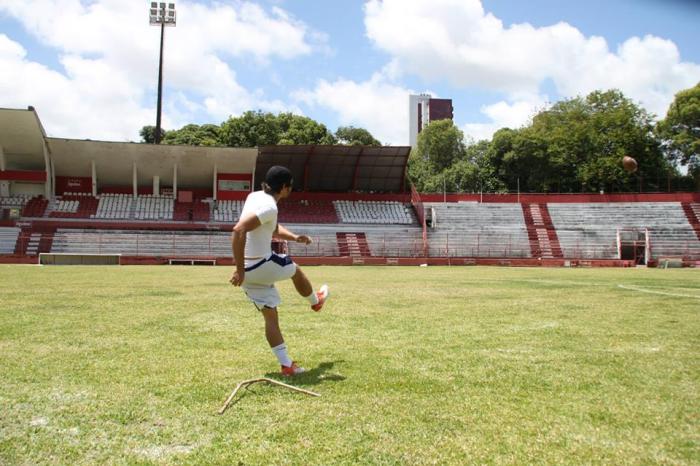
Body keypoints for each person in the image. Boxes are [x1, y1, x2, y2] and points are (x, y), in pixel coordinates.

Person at [230, 165, 329, 376]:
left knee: (270, 317)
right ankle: (316, 302)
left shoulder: (254, 197)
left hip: (249, 272)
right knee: (295, 270)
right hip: (258, 265)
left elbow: (271, 228)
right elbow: (239, 230)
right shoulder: (270, 208)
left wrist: (294, 238)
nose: (291, 191)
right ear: (284, 187)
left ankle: (286, 365)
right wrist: (240, 270)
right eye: (290, 187)